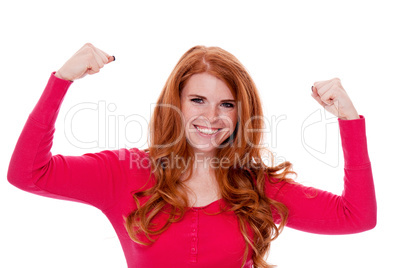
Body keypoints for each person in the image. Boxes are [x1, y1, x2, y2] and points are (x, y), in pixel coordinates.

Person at [7, 43, 377, 268]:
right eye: (198, 100)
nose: (211, 117)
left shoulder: (256, 187)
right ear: (177, 103)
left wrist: (349, 120)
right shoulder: (124, 172)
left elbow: (357, 217)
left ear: (240, 113)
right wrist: (62, 80)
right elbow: (28, 173)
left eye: (226, 104)